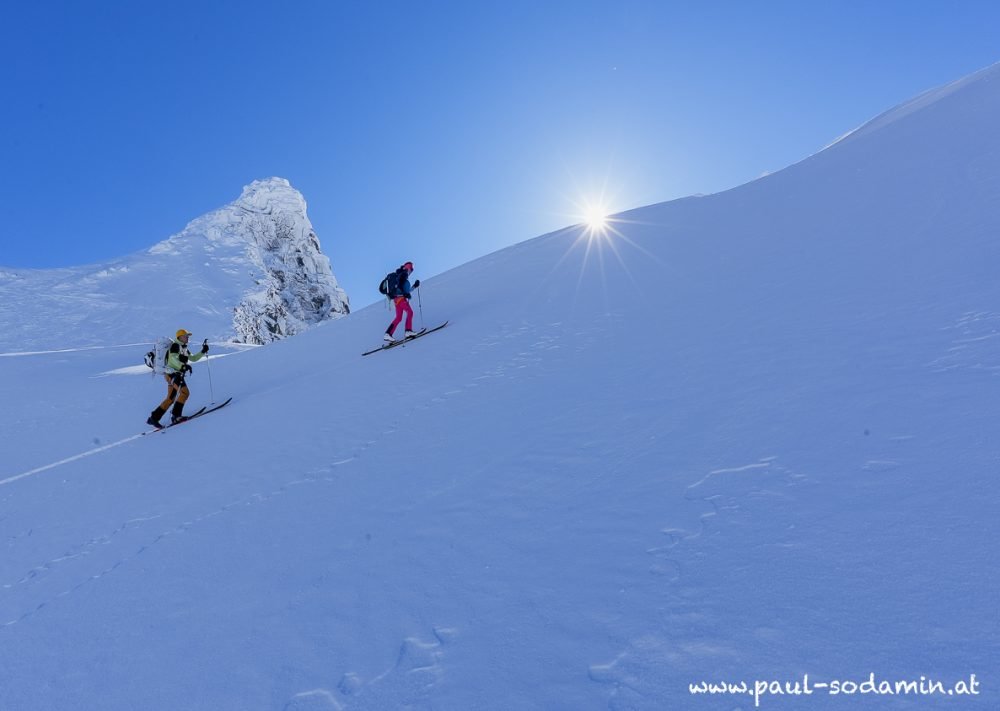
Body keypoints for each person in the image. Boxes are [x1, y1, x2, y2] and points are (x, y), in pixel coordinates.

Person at [146, 329, 209, 428]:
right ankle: (176, 416)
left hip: (172, 375)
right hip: (173, 374)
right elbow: (173, 359)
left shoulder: (184, 348)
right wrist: (182, 366)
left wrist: (203, 351)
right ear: (180, 337)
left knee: (170, 398)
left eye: (188, 336)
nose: (187, 338)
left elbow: (193, 358)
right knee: (184, 393)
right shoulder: (175, 346)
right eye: (186, 336)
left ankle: (153, 418)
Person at [384, 261, 421, 342]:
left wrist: (414, 286)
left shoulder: (401, 275)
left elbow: (406, 290)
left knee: (398, 318)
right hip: (401, 299)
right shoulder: (403, 274)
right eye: (410, 269)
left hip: (396, 300)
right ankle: (408, 331)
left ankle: (388, 334)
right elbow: (400, 287)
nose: (411, 271)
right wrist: (404, 293)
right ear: (408, 268)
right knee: (410, 312)